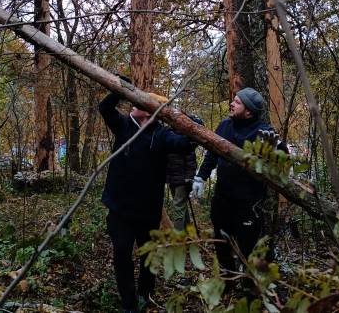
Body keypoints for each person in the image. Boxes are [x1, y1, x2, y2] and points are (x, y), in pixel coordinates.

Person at [99, 87, 193, 313]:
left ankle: (145, 295)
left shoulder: (161, 134)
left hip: (148, 213)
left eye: (141, 102)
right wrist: (119, 87)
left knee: (148, 258)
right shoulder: (123, 125)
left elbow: (183, 143)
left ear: (151, 110)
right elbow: (104, 108)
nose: (135, 104)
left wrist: (189, 123)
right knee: (122, 255)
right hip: (120, 211)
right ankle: (129, 304)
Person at [190, 87, 288, 278]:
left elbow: (281, 160)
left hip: (248, 204)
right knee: (221, 242)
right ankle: (227, 280)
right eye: (233, 100)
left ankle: (250, 286)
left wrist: (277, 149)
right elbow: (211, 153)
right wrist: (201, 176)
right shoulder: (225, 126)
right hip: (222, 199)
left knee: (248, 247)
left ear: (249, 111)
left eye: (237, 102)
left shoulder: (264, 132)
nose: (231, 104)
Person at [166, 114, 204, 232]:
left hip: (184, 177)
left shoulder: (188, 135)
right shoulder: (169, 132)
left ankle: (177, 241)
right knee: (181, 206)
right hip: (173, 177)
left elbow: (200, 125)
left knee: (178, 205)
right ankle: (189, 236)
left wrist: (186, 117)